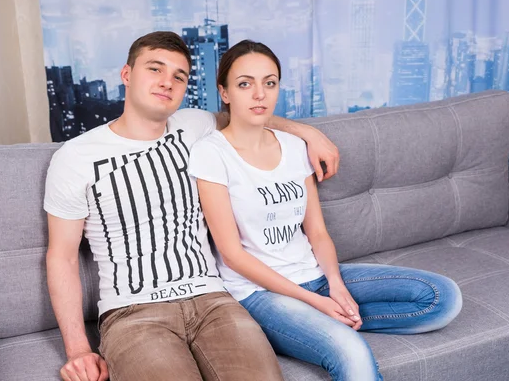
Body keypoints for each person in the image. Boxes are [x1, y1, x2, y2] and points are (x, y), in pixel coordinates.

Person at [44, 31, 341, 381]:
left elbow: (249, 114)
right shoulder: (75, 157)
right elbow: (61, 256)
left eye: (179, 76)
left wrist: (309, 133)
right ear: (127, 75)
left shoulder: (195, 126)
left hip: (215, 301)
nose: (167, 82)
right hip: (134, 312)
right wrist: (78, 349)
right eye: (155, 69)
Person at [189, 40, 463, 381]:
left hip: (315, 275)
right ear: (225, 92)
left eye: (269, 82)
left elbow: (316, 231)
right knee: (350, 351)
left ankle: (324, 325)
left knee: (442, 299)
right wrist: (314, 303)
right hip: (259, 294)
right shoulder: (211, 154)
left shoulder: (294, 147)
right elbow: (232, 255)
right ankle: (316, 328)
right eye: (245, 83)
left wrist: (335, 286)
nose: (259, 93)